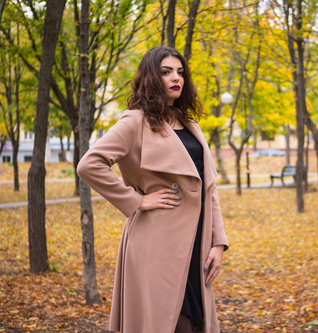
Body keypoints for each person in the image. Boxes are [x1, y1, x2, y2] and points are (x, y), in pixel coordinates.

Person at [76, 46, 229, 333]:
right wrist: (137, 201)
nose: (176, 78)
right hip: (157, 243)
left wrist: (218, 242)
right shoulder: (135, 122)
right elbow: (89, 164)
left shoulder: (189, 124)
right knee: (167, 322)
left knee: (196, 323)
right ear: (150, 77)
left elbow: (208, 187)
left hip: (196, 244)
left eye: (180, 72)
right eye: (166, 72)